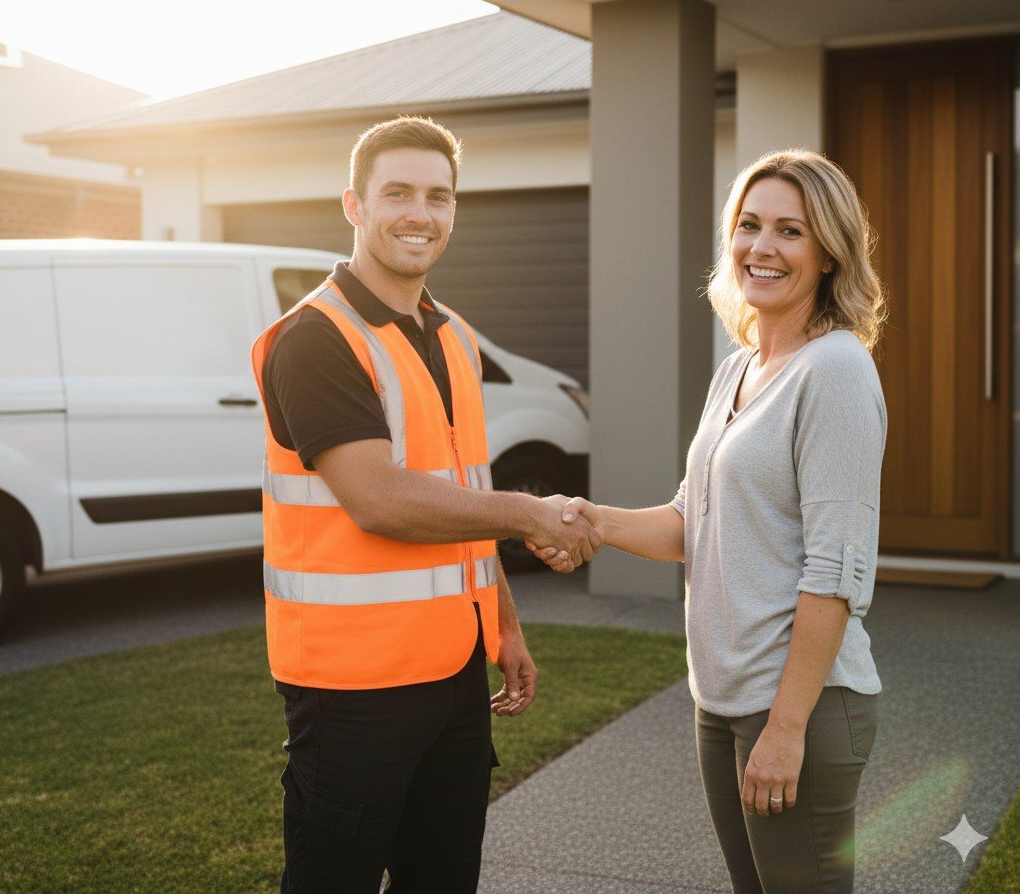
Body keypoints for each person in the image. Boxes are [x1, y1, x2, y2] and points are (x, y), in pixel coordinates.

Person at [250, 115, 598, 894]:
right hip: (350, 691)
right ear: (354, 205)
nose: (421, 212)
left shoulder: (452, 337)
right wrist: (531, 514)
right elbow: (378, 500)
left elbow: (460, 494)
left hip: (451, 676)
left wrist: (502, 622)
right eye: (398, 192)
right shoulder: (315, 339)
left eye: (439, 196)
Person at [541, 150, 887, 893]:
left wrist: (786, 728)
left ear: (828, 252)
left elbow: (835, 570)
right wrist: (591, 520)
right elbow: (689, 519)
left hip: (802, 707)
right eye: (749, 225)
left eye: (790, 231)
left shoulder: (835, 372)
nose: (762, 247)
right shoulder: (738, 367)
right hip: (724, 701)